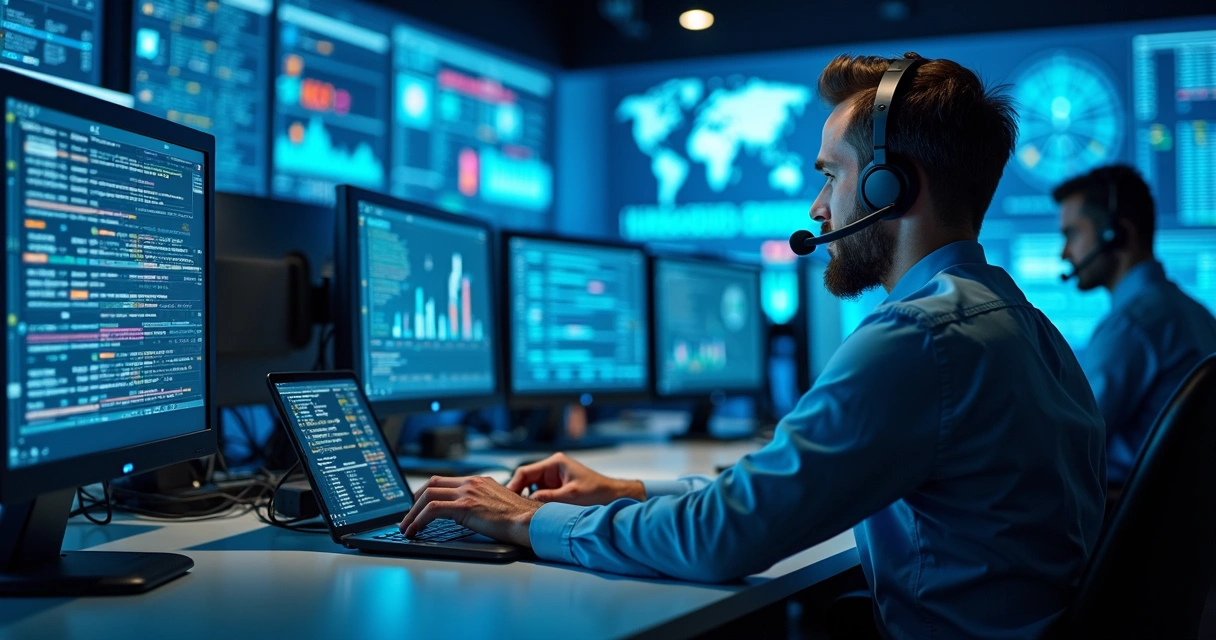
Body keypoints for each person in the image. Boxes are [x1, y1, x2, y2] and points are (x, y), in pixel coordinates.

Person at [399, 53, 1106, 638]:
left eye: (831, 174)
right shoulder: (1018, 323)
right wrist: (630, 489)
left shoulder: (919, 339)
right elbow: (780, 487)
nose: (817, 207)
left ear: (893, 185)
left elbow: (722, 539)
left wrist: (532, 522)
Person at [1055, 164, 1216, 489]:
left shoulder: (1131, 326)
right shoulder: (1199, 314)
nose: (1065, 253)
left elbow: (1067, 444)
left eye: (1072, 234)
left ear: (1117, 234)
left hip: (1137, 521)